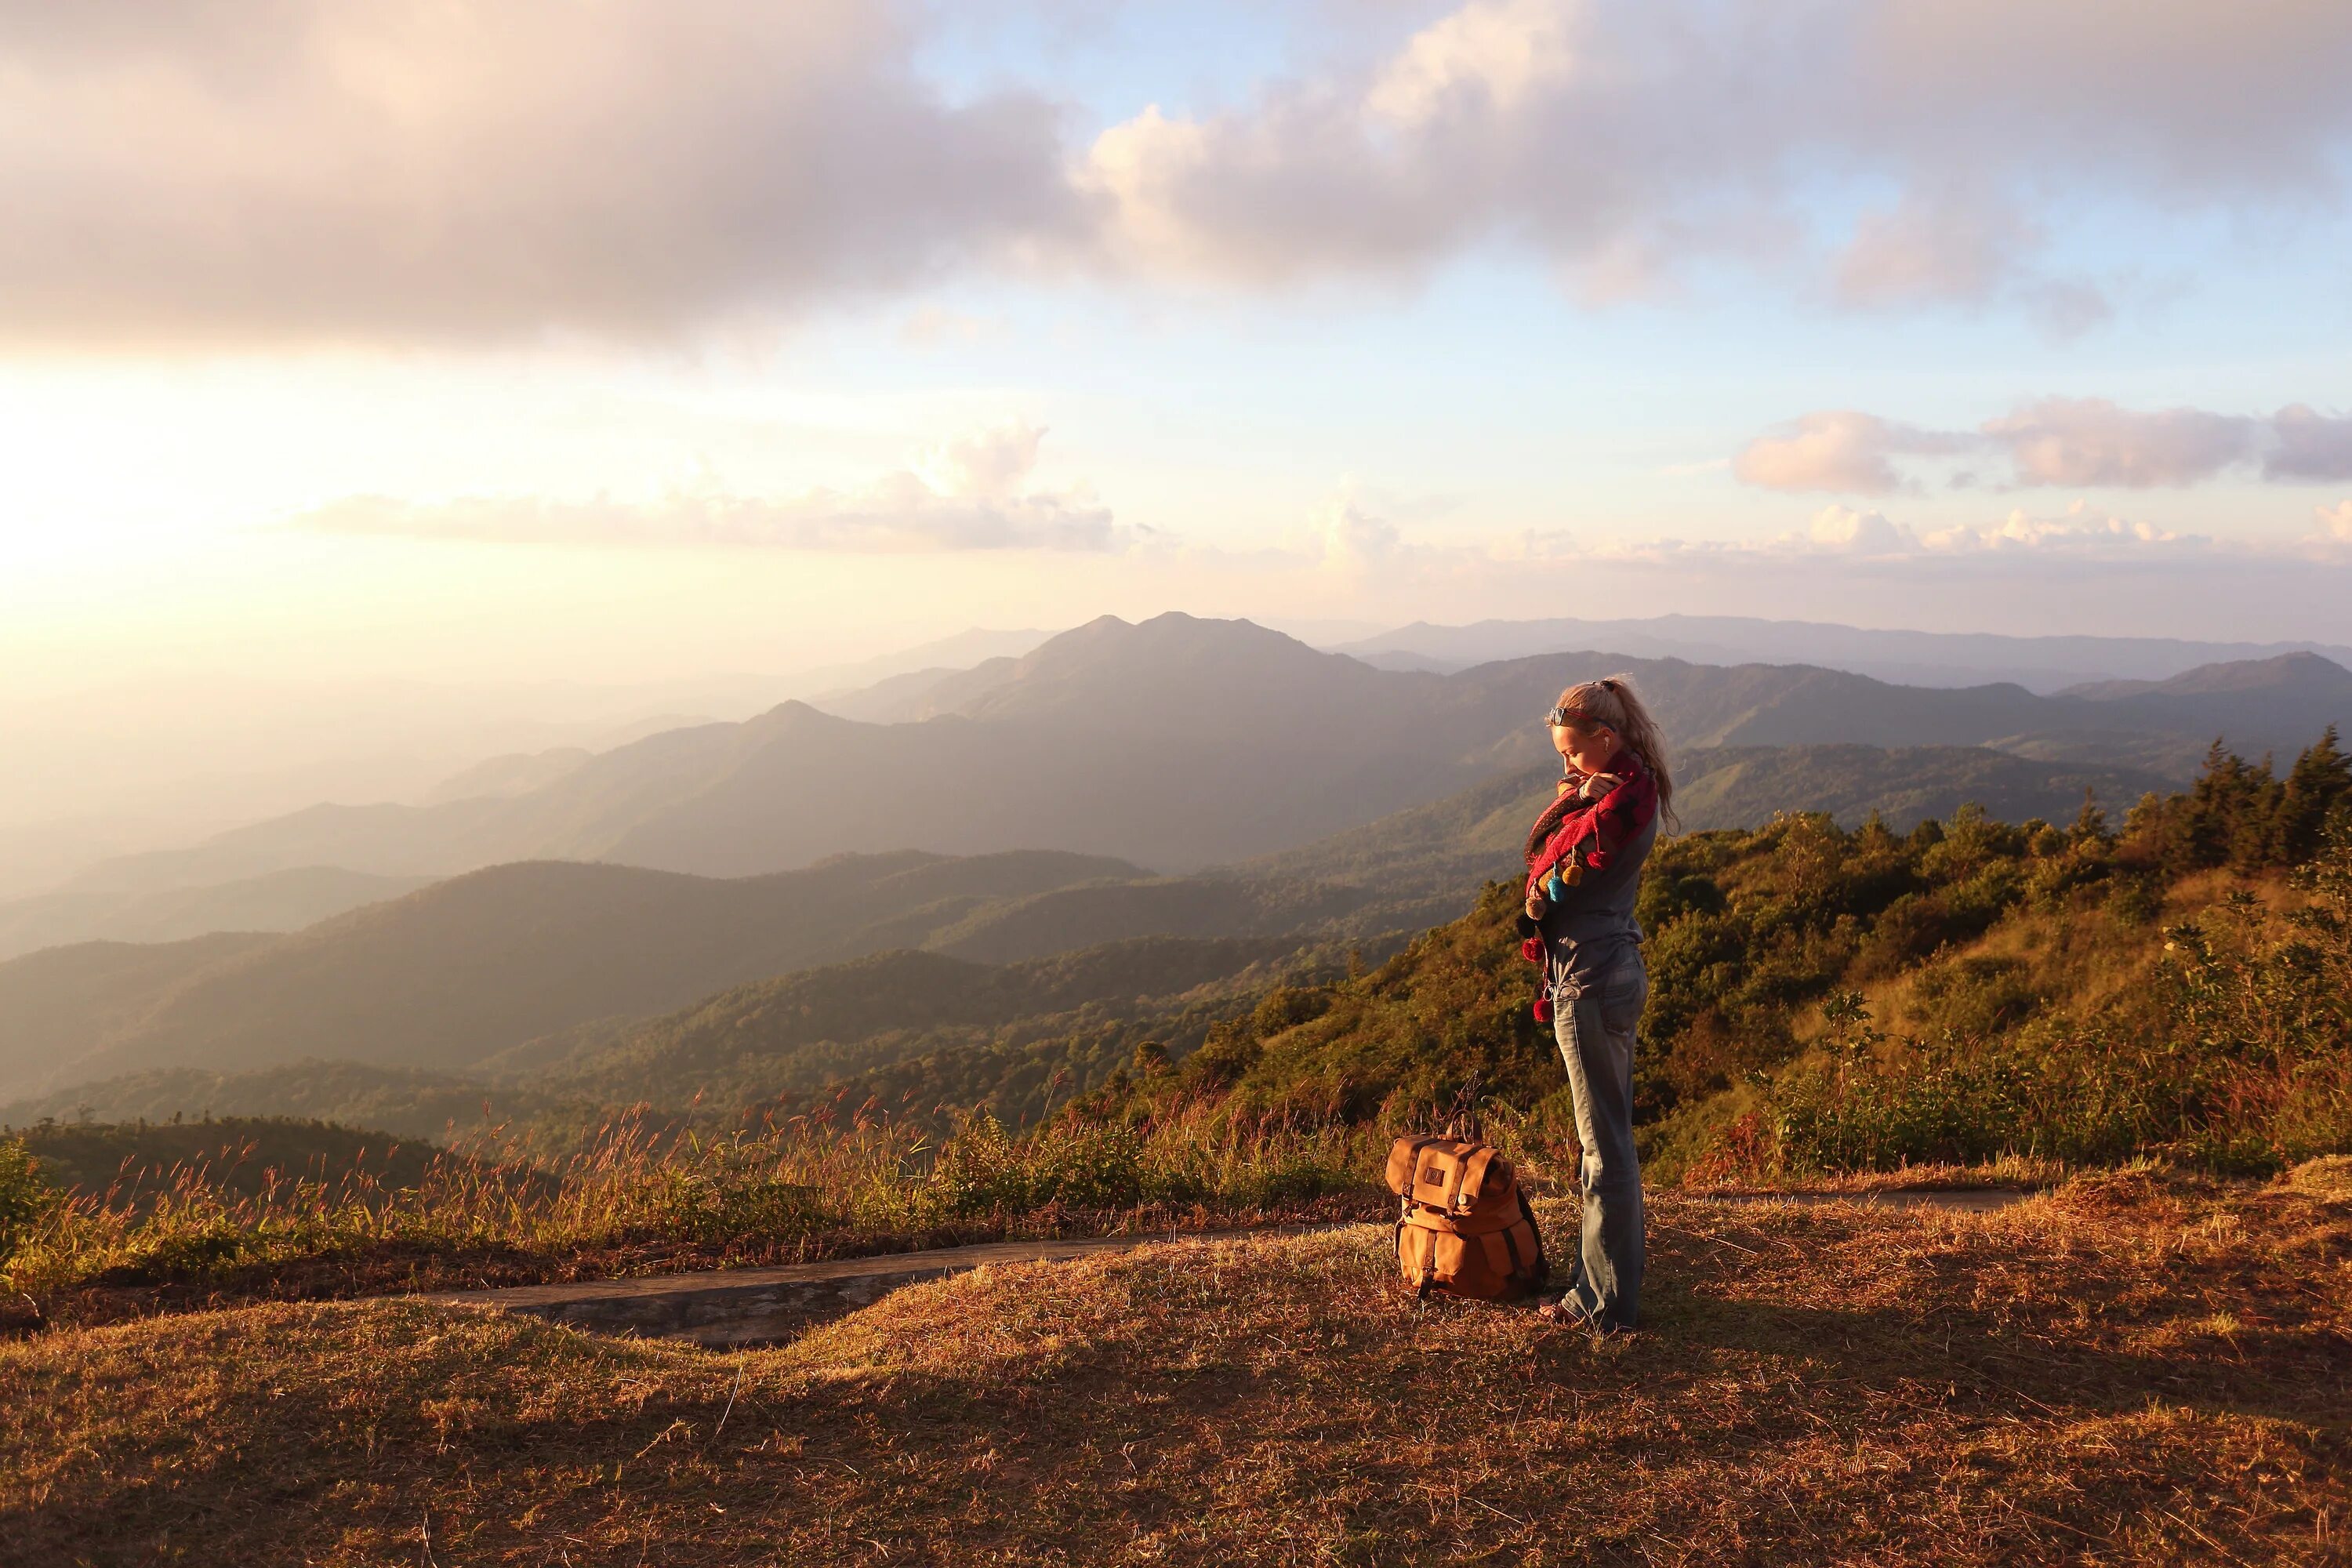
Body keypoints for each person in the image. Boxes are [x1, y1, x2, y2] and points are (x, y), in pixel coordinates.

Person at [1515, 675, 1674, 1330]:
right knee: (1602, 1144)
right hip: (1611, 973)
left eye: (1575, 753)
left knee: (1603, 1149)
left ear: (1606, 738)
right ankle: (1598, 1281)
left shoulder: (1609, 819)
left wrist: (1577, 803)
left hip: (1590, 980)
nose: (1567, 765)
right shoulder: (1624, 793)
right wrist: (1580, 792)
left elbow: (1543, 883)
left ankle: (1605, 1304)